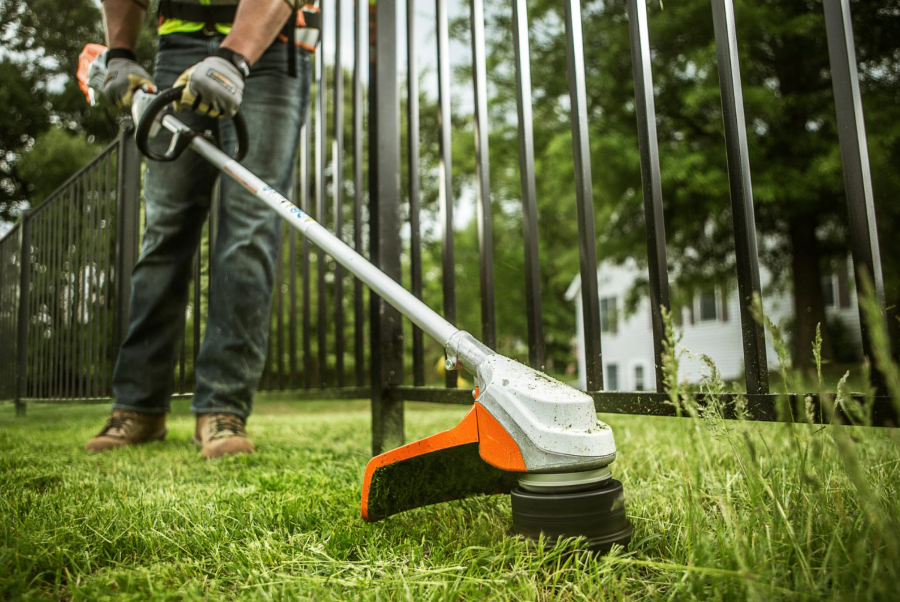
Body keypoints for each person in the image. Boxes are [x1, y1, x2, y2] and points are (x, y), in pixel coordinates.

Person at [84, 0, 314, 458]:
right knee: (164, 230)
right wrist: (121, 53)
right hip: (177, 49)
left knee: (247, 232)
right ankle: (138, 406)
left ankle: (222, 408)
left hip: (273, 48)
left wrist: (233, 57)